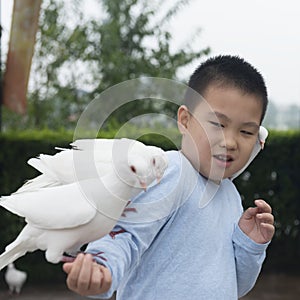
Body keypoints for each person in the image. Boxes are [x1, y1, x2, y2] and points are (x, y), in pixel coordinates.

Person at [63, 55, 275, 299]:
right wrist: (102, 267)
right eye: (217, 124)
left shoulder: (230, 195)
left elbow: (236, 284)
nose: (230, 142)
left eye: (246, 131)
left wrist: (251, 245)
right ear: (185, 120)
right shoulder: (171, 172)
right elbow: (126, 235)